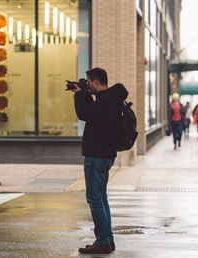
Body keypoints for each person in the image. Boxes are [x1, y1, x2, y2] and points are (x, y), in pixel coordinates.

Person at [72, 67, 127, 254]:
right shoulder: (110, 99)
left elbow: (84, 114)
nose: (87, 85)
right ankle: (107, 239)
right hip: (105, 154)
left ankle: (103, 241)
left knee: (95, 199)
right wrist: (84, 93)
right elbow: (92, 112)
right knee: (101, 199)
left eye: (89, 82)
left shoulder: (106, 101)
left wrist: (79, 95)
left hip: (97, 155)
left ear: (96, 82)